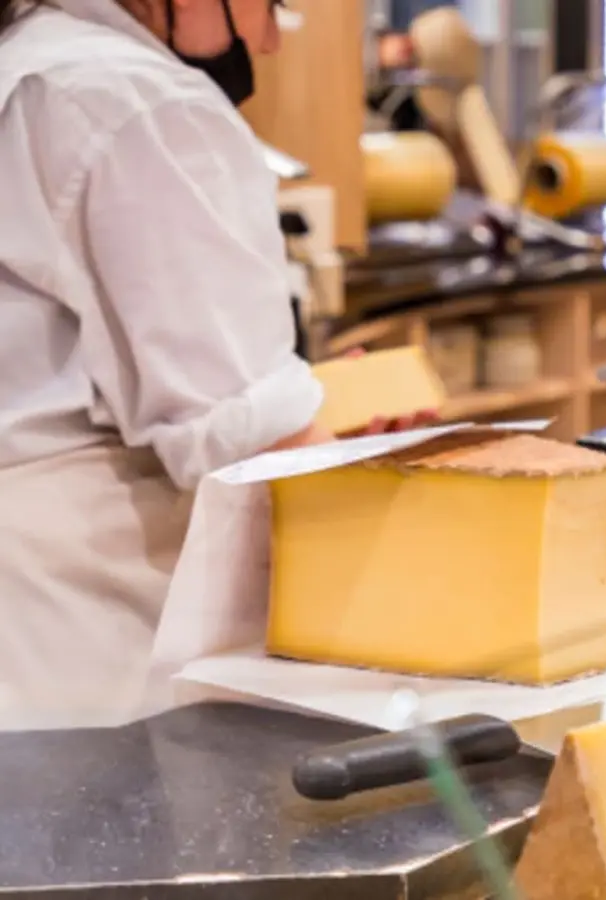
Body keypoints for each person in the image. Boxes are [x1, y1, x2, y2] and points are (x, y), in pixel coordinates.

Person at [0, 0, 420, 728]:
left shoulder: (29, 64)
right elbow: (258, 450)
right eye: (270, 4)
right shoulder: (134, 100)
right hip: (77, 653)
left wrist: (311, 418)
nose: (266, 40)